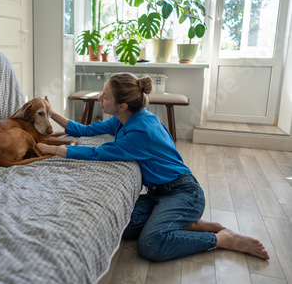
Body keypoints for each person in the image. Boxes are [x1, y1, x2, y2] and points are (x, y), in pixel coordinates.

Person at [38, 72, 269, 262]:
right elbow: (84, 130)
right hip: (158, 194)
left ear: (122, 105)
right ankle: (190, 224)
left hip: (183, 192)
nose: (99, 98)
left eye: (105, 96)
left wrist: (55, 150)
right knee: (118, 224)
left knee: (151, 244)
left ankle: (222, 239)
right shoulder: (124, 118)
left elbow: (98, 153)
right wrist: (51, 112)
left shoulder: (140, 131)